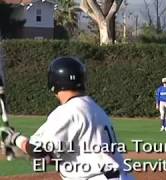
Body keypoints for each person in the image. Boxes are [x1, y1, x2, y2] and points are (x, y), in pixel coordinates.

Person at [0, 57, 134, 180]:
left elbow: (37, 149)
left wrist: (14, 138)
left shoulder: (69, 110)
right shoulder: (93, 108)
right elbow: (53, 156)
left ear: (53, 83)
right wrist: (21, 151)